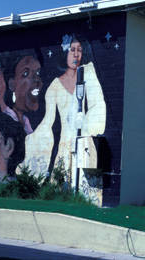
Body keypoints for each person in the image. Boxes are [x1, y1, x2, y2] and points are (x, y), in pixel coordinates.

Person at [22, 34, 106, 187]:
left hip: (85, 143)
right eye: (72, 50)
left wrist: (86, 126)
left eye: (79, 50)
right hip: (64, 147)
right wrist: (31, 138)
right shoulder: (54, 86)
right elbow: (47, 123)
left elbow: (98, 105)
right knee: (62, 184)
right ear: (65, 52)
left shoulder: (89, 74)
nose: (76, 54)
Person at [8, 55, 43, 134]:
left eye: (38, 73)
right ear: (12, 84)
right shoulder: (6, 120)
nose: (37, 79)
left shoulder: (26, 121)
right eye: (26, 73)